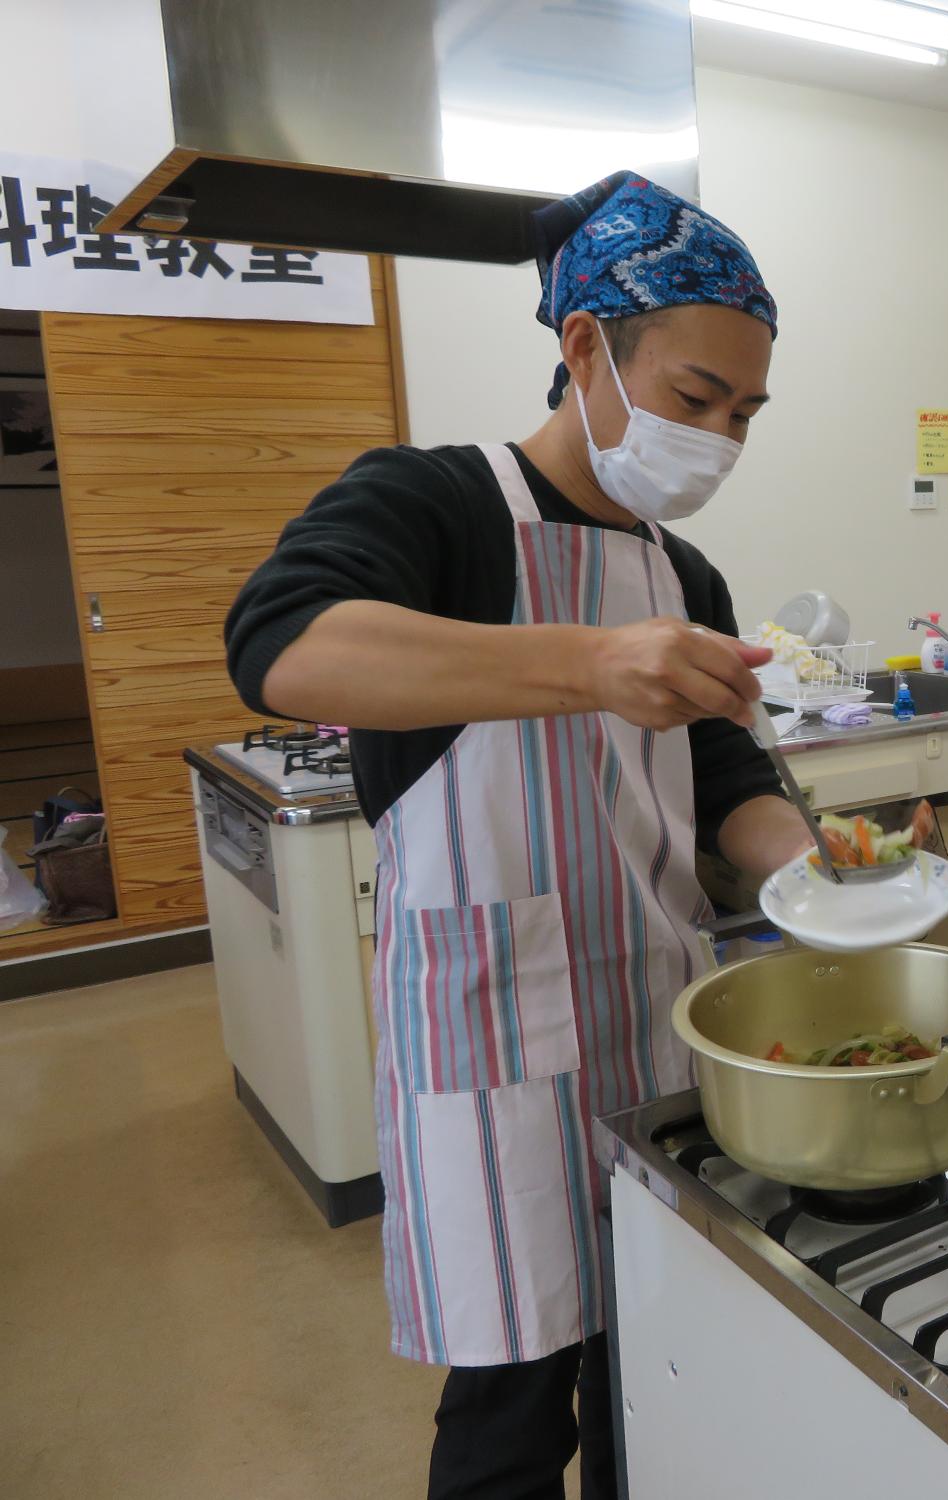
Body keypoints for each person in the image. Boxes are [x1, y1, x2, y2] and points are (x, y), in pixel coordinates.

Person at [224, 172, 812, 1499]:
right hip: (492, 1036)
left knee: (648, 1376)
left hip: (660, 1021)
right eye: (695, 398)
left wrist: (812, 867)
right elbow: (284, 646)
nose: (718, 437)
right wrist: (591, 663)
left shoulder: (681, 569)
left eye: (745, 413)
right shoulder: (430, 504)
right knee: (509, 1405)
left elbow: (725, 767)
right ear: (585, 346)